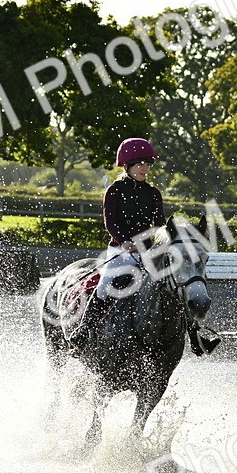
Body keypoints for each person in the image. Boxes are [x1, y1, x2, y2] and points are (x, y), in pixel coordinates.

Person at [73, 137, 165, 337]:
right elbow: (110, 222)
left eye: (148, 164)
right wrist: (124, 241)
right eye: (141, 164)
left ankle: (195, 333)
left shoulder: (153, 194)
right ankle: (83, 330)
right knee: (104, 288)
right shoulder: (114, 190)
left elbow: (159, 225)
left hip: (148, 254)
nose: (145, 169)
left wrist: (165, 239)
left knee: (172, 287)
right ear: (128, 165)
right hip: (120, 252)